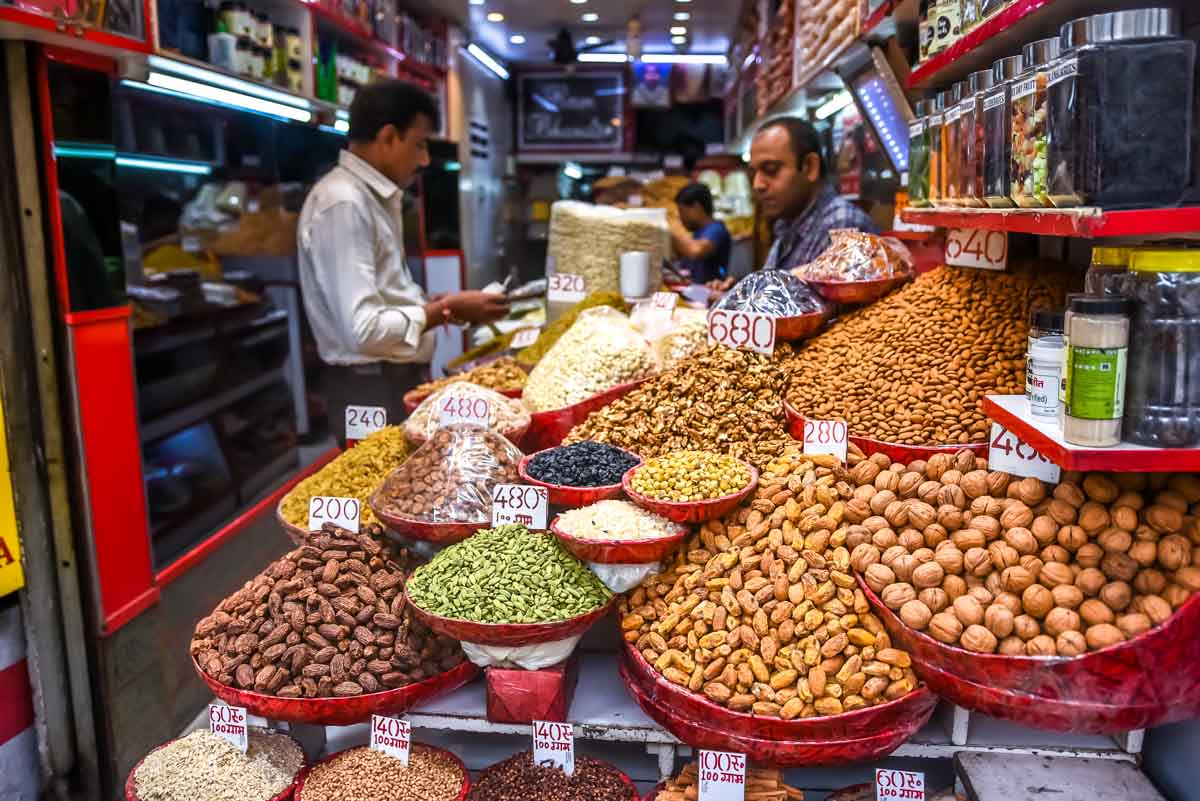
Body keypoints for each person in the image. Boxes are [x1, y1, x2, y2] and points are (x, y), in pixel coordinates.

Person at [298, 80, 508, 445]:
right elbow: (362, 330)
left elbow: (383, 297)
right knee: (375, 491)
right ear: (389, 136)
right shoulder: (344, 203)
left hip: (391, 377)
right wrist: (442, 309)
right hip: (369, 387)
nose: (424, 160)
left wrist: (443, 305)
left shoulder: (373, 198)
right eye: (421, 144)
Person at [749, 116, 878, 273]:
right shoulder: (786, 225)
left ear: (810, 167)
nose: (757, 184)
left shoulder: (842, 225)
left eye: (770, 169)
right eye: (753, 173)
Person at [669, 183, 732, 286]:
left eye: (682, 211)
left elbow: (697, 250)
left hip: (709, 295)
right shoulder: (697, 233)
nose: (680, 217)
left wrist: (666, 232)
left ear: (696, 207)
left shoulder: (716, 229)